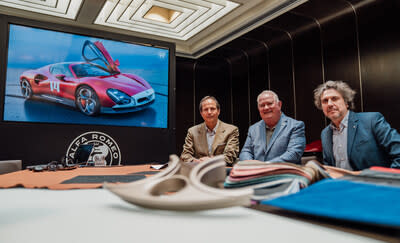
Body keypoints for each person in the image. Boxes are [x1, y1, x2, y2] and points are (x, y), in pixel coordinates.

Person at [314, 80, 400, 170]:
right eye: (325, 101)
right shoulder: (325, 133)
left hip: (373, 182)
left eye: (334, 98)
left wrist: (386, 180)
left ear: (346, 102)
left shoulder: (372, 121)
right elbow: (328, 167)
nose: (330, 104)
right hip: (340, 183)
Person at [239, 90, 306, 163]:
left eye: (270, 103)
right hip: (257, 173)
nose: (266, 107)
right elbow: (246, 151)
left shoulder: (295, 126)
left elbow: (294, 154)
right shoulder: (253, 129)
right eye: (262, 105)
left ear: (279, 105)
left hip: (284, 172)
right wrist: (250, 163)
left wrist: (266, 165)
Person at [180, 96, 239, 166]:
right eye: (205, 109)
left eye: (212, 109)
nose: (209, 112)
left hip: (221, 171)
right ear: (201, 113)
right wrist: (198, 162)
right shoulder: (192, 131)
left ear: (218, 111)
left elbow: (230, 156)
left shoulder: (231, 130)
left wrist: (211, 161)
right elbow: (185, 155)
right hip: (199, 171)